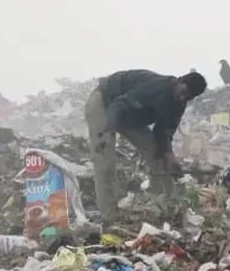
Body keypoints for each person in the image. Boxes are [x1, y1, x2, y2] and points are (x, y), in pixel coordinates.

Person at [84, 69, 207, 222]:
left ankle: (164, 208)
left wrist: (170, 156)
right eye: (183, 92)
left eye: (187, 97)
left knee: (157, 155)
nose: (182, 98)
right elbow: (118, 105)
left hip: (130, 116)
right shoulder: (156, 88)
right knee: (105, 161)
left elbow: (163, 133)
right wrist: (108, 132)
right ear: (179, 80)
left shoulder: (179, 103)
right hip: (104, 103)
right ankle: (110, 217)